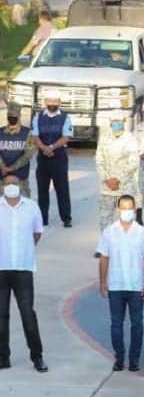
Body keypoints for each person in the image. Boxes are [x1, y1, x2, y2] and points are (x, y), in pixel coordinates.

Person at [97, 195, 144, 372]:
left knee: (137, 323)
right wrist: (102, 282)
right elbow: (104, 258)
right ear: (118, 209)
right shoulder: (109, 232)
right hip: (116, 285)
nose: (126, 211)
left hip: (136, 285)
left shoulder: (143, 233)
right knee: (116, 324)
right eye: (123, 208)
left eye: (130, 208)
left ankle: (134, 359)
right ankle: (119, 358)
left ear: (135, 209)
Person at [0, 174, 47, 372]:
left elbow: (37, 233)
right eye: (7, 183)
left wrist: (25, 249)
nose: (11, 186)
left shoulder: (31, 207)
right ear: (2, 187)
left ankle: (37, 357)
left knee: (28, 314)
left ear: (20, 186)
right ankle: (3, 358)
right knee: (1, 316)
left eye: (14, 183)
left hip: (23, 268)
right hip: (1, 268)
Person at [95, 112, 140, 240]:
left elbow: (133, 162)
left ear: (124, 122)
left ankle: (127, 244)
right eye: (114, 121)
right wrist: (107, 179)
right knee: (105, 217)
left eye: (120, 121)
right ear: (110, 122)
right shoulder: (104, 138)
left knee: (127, 217)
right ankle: (105, 245)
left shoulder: (130, 138)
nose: (117, 124)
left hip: (124, 186)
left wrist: (118, 179)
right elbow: (99, 160)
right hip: (107, 186)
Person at [31, 89, 72, 227]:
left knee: (62, 189)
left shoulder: (66, 117)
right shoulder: (38, 116)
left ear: (60, 102)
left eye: (55, 102)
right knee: (42, 190)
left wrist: (52, 147)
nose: (52, 104)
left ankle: (66, 218)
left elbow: (66, 137)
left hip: (59, 157)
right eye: (49, 101)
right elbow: (35, 136)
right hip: (43, 158)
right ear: (45, 102)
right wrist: (44, 148)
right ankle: (43, 219)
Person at [0, 106, 35, 198]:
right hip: (2, 179)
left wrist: (11, 169)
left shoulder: (27, 133)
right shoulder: (0, 132)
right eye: (10, 115)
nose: (12, 117)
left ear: (19, 116)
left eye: (14, 115)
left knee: (24, 208)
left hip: (20, 180)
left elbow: (28, 155)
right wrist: (3, 167)